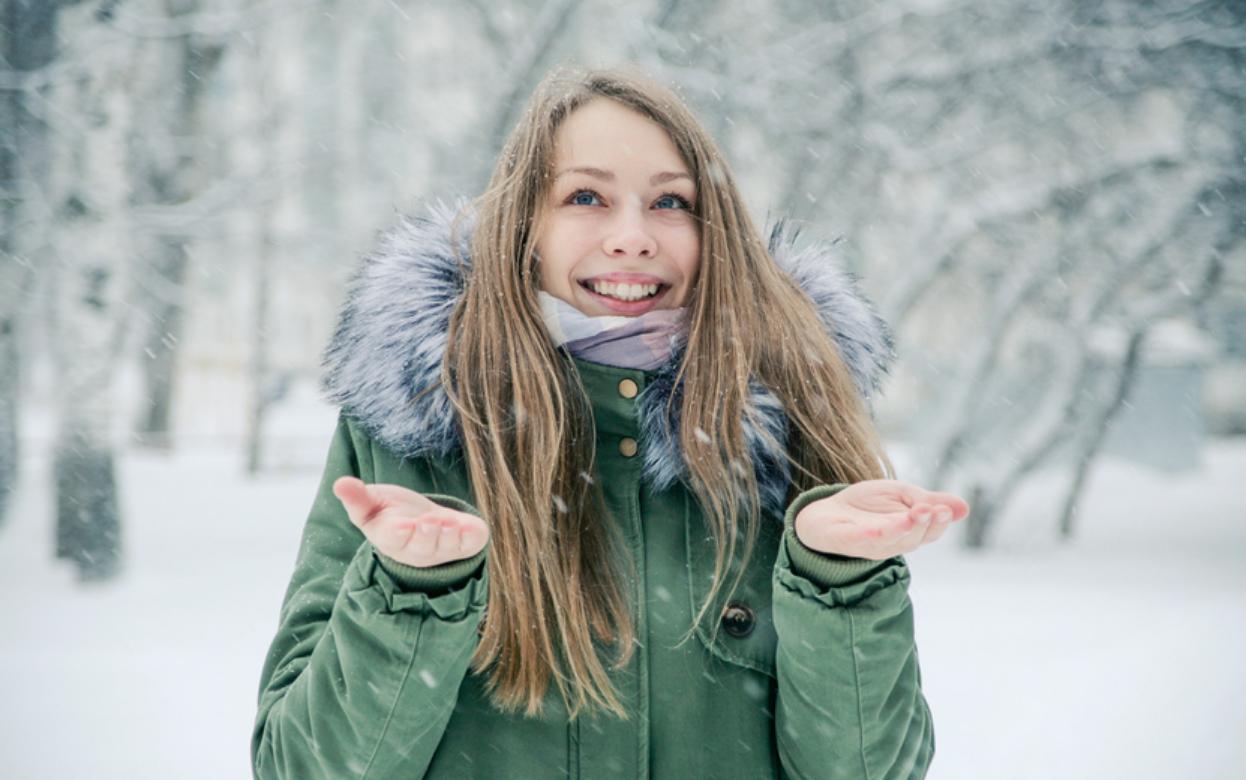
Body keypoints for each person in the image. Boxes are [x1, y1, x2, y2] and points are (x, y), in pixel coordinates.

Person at [251, 66, 969, 780]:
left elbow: (871, 772)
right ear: (525, 224)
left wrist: (835, 578)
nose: (632, 237)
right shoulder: (414, 422)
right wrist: (410, 593)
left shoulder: (791, 418)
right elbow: (302, 768)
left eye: (670, 202)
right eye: (586, 196)